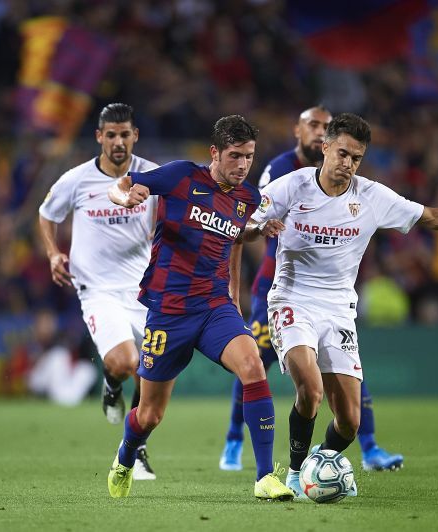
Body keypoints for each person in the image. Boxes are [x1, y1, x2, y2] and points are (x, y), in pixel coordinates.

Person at [243, 113, 438, 498]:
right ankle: (296, 474)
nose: (347, 164)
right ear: (325, 147)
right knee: (310, 389)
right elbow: (243, 225)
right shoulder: (290, 187)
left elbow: (430, 216)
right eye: (343, 153)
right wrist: (258, 229)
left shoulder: (371, 197)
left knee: (349, 421)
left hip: (339, 309)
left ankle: (321, 462)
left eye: (356, 158)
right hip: (292, 299)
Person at [105, 115, 294, 501]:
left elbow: (234, 235)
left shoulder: (248, 198)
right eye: (235, 156)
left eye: (249, 157)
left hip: (213, 306)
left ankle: (263, 478)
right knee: (150, 415)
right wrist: (127, 197)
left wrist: (258, 232)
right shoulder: (180, 177)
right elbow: (120, 184)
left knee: (253, 365)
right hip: (168, 311)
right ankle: (125, 457)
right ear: (215, 153)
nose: (243, 165)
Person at [219, 106, 403, 473]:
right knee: (257, 362)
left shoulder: (356, 188)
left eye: (324, 126)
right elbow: (243, 227)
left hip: (332, 302)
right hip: (278, 288)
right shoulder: (282, 172)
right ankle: (234, 440)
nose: (319, 132)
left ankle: (367, 447)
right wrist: (233, 287)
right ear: (300, 132)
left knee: (345, 377)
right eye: (313, 126)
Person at [38, 103, 157, 480]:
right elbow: (47, 214)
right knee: (126, 363)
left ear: (134, 135)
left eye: (125, 134)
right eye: (111, 134)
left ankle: (136, 452)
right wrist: (53, 253)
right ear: (99, 137)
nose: (118, 141)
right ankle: (111, 383)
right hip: (97, 288)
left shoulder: (152, 176)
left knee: (152, 371)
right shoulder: (76, 180)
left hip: (142, 288)